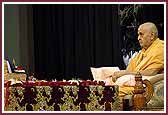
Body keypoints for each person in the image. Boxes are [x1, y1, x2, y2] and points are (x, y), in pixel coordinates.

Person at [105, 22, 164, 96]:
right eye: (138, 35)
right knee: (103, 87)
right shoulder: (142, 52)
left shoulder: (160, 48)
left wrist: (124, 73)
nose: (138, 38)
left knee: (114, 93)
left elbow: (151, 72)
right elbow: (131, 70)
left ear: (152, 36)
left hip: (144, 85)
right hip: (133, 83)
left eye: (141, 34)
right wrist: (119, 74)